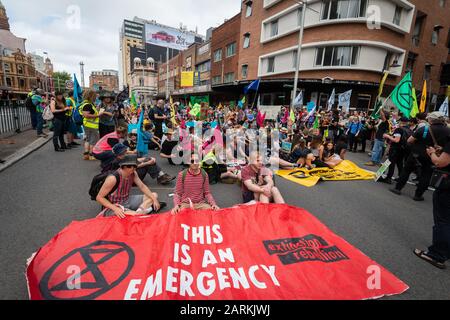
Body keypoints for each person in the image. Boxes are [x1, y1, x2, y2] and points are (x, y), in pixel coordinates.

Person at [391, 112, 450, 201]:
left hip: (416, 154)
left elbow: (410, 140)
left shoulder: (424, 129)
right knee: (426, 175)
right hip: (433, 156)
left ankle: (397, 188)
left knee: (406, 170)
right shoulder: (447, 131)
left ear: (431, 120)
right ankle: (418, 195)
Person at [413, 125, 450, 269]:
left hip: (447, 188)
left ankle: (436, 255)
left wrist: (432, 153)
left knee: (443, 221)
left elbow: (440, 162)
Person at [97, 154, 165, 218]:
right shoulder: (113, 178)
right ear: (123, 166)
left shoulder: (133, 173)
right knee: (134, 215)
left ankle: (139, 211)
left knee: (154, 195)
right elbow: (99, 197)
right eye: (130, 166)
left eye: (135, 166)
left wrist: (154, 199)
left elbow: (142, 186)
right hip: (115, 205)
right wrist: (115, 208)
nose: (133, 169)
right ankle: (145, 210)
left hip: (127, 200)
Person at [378, 117, 412, 184]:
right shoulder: (410, 130)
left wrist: (387, 136)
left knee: (390, 163)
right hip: (403, 149)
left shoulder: (399, 129)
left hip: (395, 148)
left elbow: (396, 140)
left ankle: (388, 178)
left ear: (401, 122)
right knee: (400, 163)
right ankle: (401, 178)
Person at [80, 89, 103, 160]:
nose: (96, 97)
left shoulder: (86, 104)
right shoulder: (88, 105)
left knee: (88, 139)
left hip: (87, 124)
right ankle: (91, 155)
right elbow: (86, 115)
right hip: (91, 125)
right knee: (93, 140)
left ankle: (86, 154)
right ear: (91, 96)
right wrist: (98, 115)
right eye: (95, 96)